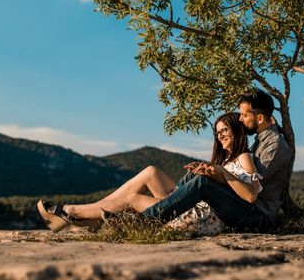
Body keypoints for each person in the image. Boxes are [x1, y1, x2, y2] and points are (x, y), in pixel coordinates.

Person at [36, 112, 262, 234]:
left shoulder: (244, 157)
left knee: (133, 199)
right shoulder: (224, 159)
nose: (221, 135)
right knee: (150, 171)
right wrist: (208, 172)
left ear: (237, 131)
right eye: (218, 132)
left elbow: (250, 195)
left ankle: (70, 211)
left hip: (204, 217)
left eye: (225, 130)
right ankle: (93, 215)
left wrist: (219, 174)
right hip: (194, 206)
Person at [141, 89, 291, 231]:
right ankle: (166, 204)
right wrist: (212, 172)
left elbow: (251, 189)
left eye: (244, 115)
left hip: (257, 215)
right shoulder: (261, 141)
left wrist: (221, 174)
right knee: (198, 174)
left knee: (203, 183)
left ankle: (144, 221)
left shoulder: (275, 146)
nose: (240, 119)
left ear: (259, 118)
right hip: (245, 206)